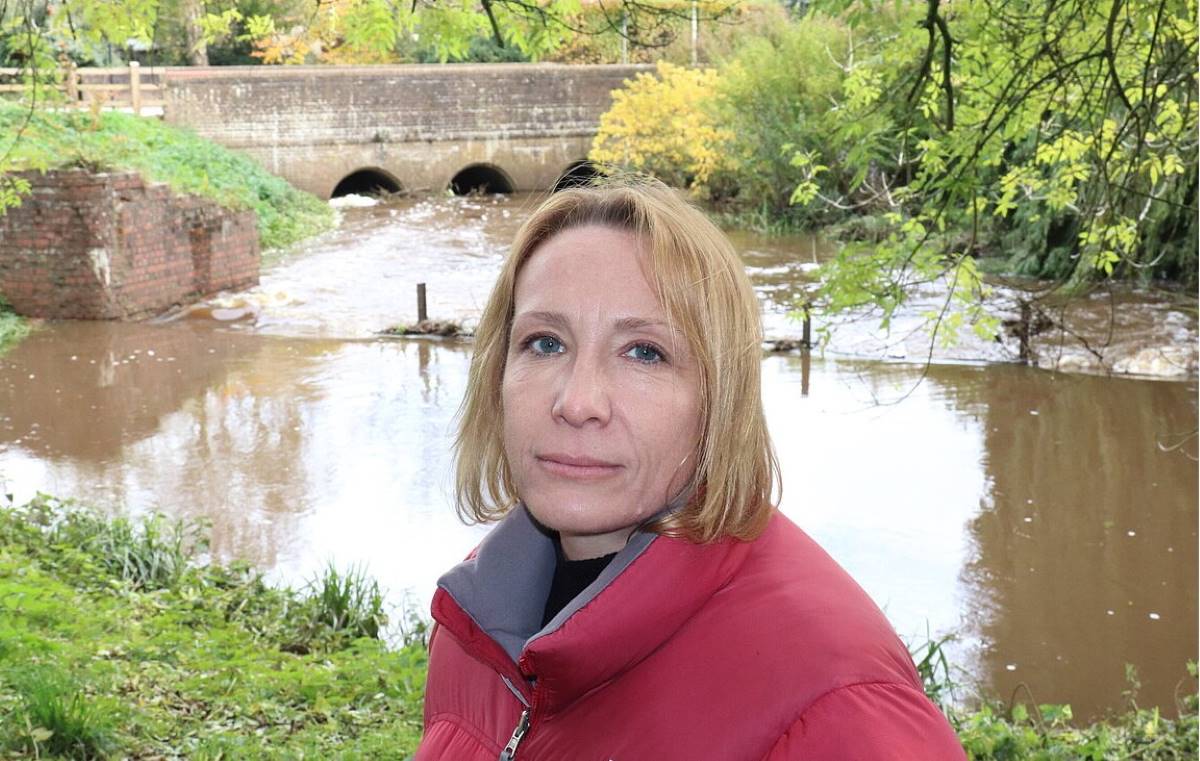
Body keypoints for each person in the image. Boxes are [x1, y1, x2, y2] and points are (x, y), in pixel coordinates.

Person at [414, 180, 966, 760]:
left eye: (644, 352)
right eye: (545, 343)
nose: (577, 402)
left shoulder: (837, 704)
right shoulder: (472, 629)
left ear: (718, 397)